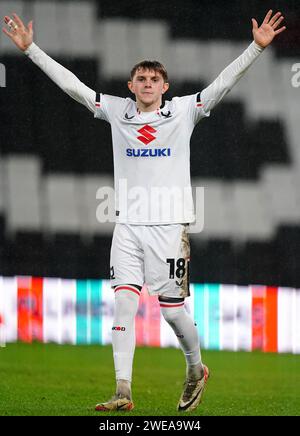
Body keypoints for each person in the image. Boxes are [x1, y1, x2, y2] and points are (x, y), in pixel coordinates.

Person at [2, 10, 286, 412]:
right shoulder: (117, 111)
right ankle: (123, 390)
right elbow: (74, 87)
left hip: (169, 227)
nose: (148, 84)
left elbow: (223, 83)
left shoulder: (183, 111)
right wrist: (31, 51)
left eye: (155, 79)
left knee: (172, 313)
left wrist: (256, 48)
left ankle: (195, 368)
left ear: (165, 86)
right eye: (141, 79)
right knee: (122, 303)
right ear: (131, 85)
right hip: (128, 226)